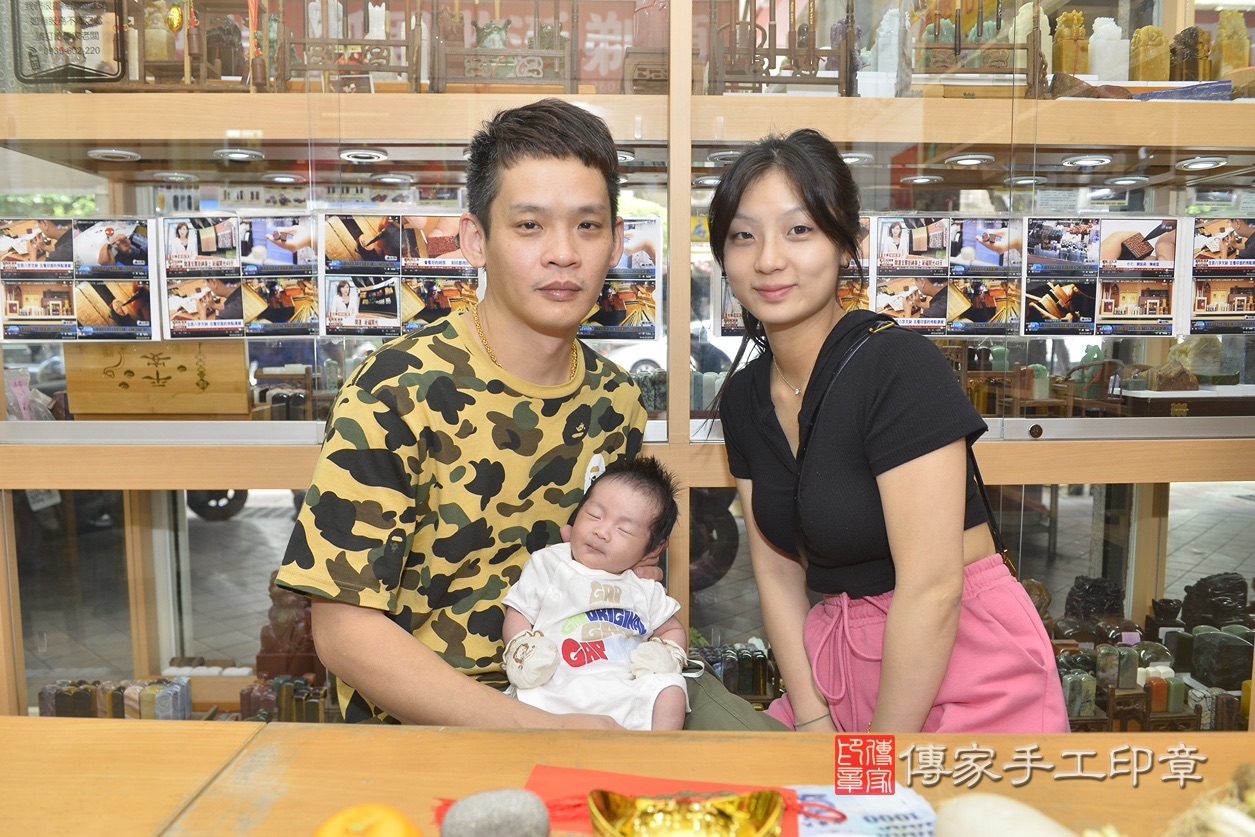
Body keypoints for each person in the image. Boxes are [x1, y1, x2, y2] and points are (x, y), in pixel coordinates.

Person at [275, 98, 779, 731]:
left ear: (617, 241)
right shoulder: (396, 388)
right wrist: (536, 730)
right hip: (431, 728)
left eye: (588, 226)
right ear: (475, 240)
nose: (563, 253)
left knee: (772, 762)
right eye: (530, 225)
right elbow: (342, 632)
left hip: (600, 697)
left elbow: (627, 573)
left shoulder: (615, 400)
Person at [711, 129, 1068, 735]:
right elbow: (776, 572)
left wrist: (874, 761)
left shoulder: (897, 367)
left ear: (845, 242)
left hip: (964, 662)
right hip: (841, 662)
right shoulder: (745, 397)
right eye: (744, 235)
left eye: (799, 230)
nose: (768, 259)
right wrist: (813, 717)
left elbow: (933, 589)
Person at [502, 456, 689, 731]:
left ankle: (658, 750)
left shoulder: (642, 584)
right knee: (522, 698)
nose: (601, 531)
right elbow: (518, 611)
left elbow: (672, 629)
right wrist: (523, 648)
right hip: (555, 684)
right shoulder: (550, 563)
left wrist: (666, 653)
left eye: (624, 529)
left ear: (652, 550)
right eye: (593, 515)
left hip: (625, 688)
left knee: (671, 689)